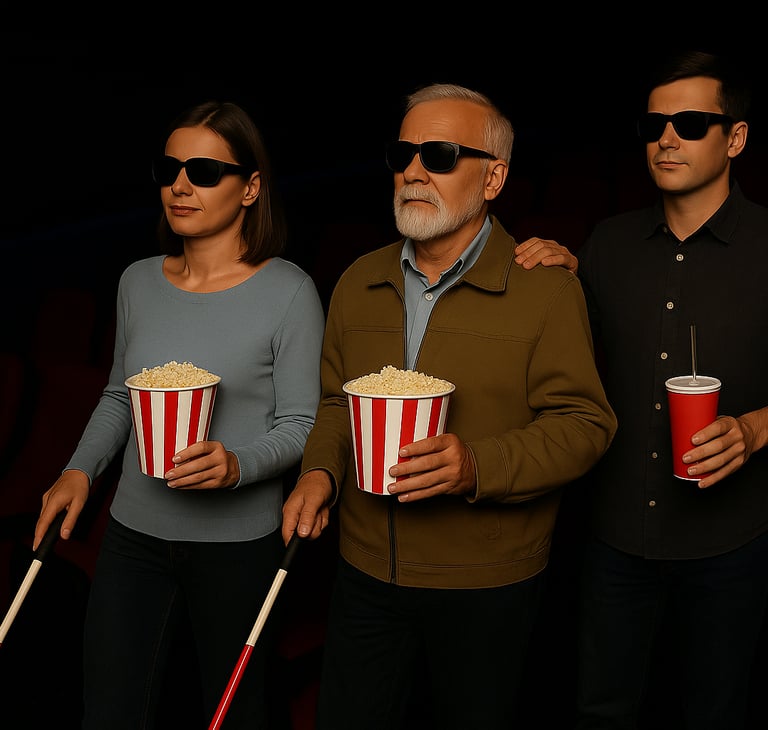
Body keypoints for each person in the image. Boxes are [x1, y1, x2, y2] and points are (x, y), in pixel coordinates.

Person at [281, 82, 617, 730]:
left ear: (493, 178)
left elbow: (586, 424)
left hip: (487, 586)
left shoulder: (546, 291)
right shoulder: (357, 280)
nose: (412, 171)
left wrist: (475, 467)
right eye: (402, 154)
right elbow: (335, 403)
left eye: (438, 155)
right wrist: (319, 473)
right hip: (364, 574)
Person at [32, 100, 325, 729]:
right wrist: (79, 471)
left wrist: (237, 465)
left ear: (251, 187)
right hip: (133, 535)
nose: (180, 185)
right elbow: (120, 395)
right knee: (109, 712)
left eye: (204, 171)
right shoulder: (137, 281)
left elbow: (302, 423)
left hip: (240, 545)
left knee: (235, 716)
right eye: (170, 170)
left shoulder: (291, 291)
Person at [515, 50, 768, 730]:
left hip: (731, 543)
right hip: (615, 538)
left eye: (691, 123)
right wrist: (559, 283)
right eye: (655, 126)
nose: (667, 139)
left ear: (736, 138)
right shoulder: (607, 244)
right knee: (600, 710)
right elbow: (574, 361)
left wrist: (754, 429)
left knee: (715, 712)